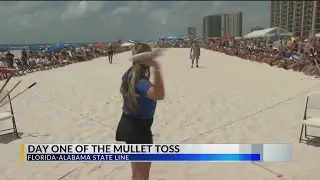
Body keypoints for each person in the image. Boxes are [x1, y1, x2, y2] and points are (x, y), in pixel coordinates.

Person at [116, 43, 165, 180]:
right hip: (139, 129)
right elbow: (159, 94)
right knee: (143, 175)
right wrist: (157, 68)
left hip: (128, 124)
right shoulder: (140, 81)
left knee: (136, 172)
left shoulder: (128, 74)